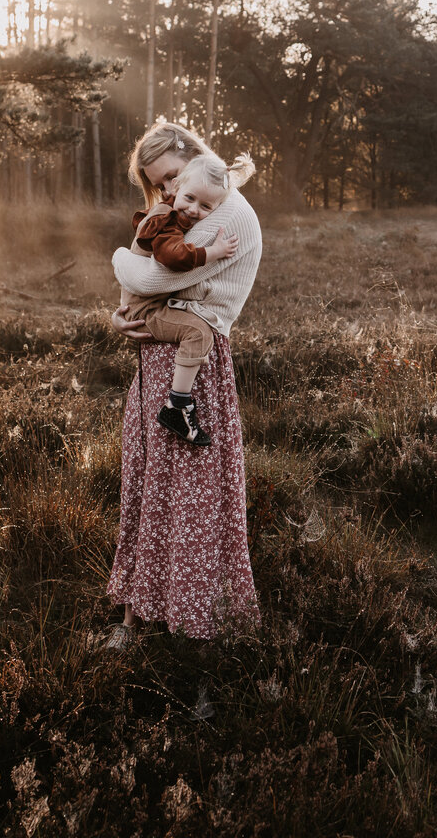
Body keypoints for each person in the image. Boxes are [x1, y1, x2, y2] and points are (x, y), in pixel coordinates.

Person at [106, 121, 262, 645]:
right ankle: (142, 612)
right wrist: (120, 314)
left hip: (194, 363)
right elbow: (146, 285)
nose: (170, 193)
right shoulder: (189, 204)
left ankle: (196, 621)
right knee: (153, 485)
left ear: (191, 153)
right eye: (160, 186)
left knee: (190, 492)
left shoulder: (228, 209)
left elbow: (150, 277)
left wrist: (118, 261)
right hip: (162, 354)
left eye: (172, 176)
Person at [119, 150, 255, 448]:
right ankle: (177, 406)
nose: (194, 210)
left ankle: (178, 403)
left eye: (206, 206)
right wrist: (212, 252)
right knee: (196, 331)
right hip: (148, 309)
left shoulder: (183, 210)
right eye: (189, 198)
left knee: (196, 331)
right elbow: (170, 257)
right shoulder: (166, 218)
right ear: (178, 189)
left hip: (150, 306)